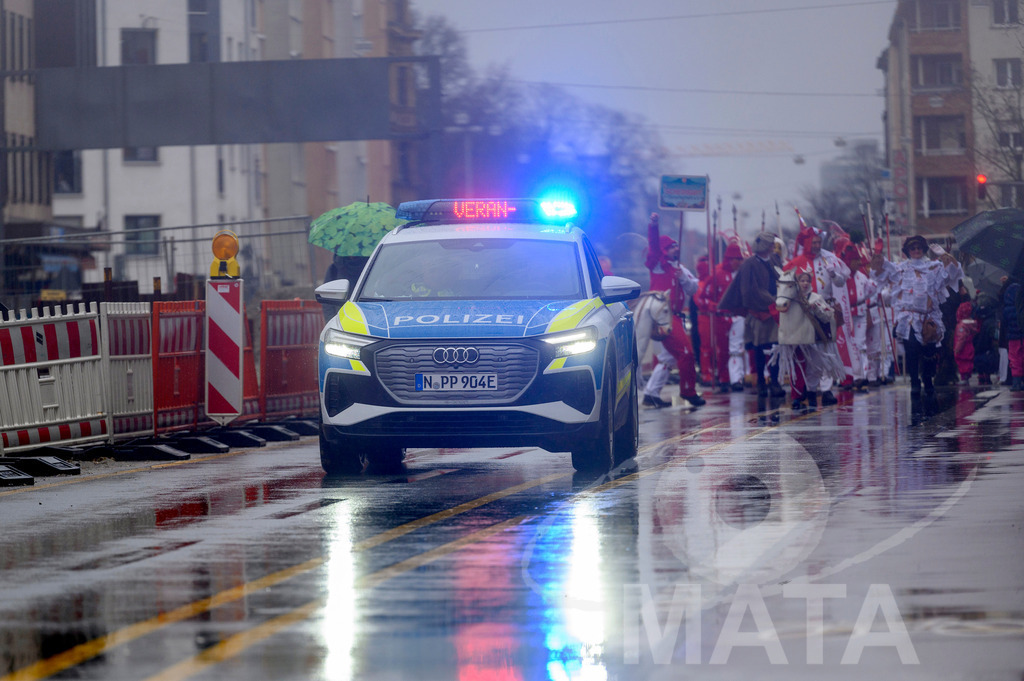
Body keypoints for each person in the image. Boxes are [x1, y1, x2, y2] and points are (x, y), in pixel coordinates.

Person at [869, 234, 964, 397]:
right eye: (912, 248)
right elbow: (879, 273)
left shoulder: (934, 267)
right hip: (909, 317)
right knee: (911, 348)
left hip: (929, 317)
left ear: (924, 249)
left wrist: (944, 255)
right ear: (907, 251)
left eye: (919, 248)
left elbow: (954, 274)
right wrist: (878, 257)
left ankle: (927, 379)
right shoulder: (900, 268)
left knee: (929, 351)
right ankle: (914, 381)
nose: (916, 251)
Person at [642, 213, 705, 408]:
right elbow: (652, 247)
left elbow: (693, 288)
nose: (675, 248)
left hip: (677, 316)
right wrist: (654, 226)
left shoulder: (680, 268)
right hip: (665, 317)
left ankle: (651, 394)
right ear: (663, 251)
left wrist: (682, 278)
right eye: (670, 247)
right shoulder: (658, 266)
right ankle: (688, 391)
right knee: (686, 353)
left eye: (676, 245)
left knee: (669, 358)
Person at [784, 225, 850, 405]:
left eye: (819, 242)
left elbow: (841, 281)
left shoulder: (829, 259)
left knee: (827, 351)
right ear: (806, 243)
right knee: (811, 352)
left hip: (825, 309)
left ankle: (827, 389)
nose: (816, 245)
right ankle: (812, 390)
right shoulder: (795, 263)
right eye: (813, 242)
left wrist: (834, 275)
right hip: (804, 313)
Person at [719, 231, 785, 398]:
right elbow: (747, 290)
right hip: (758, 313)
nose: (773, 247)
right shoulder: (749, 264)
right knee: (760, 349)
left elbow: (782, 279)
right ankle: (762, 382)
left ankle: (775, 381)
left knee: (775, 348)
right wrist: (770, 301)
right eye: (770, 244)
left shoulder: (774, 260)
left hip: (775, 311)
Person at [772, 266, 846, 412]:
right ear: (797, 282)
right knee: (797, 367)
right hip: (797, 340)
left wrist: (816, 308)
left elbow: (826, 316)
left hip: (815, 340)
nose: (805, 283)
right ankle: (797, 396)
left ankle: (811, 392)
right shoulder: (791, 301)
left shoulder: (816, 298)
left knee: (814, 367)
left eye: (807, 280)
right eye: (802, 280)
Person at [696, 241, 744, 392]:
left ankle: (737, 379)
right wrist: (713, 306)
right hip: (721, 318)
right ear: (730, 259)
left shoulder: (743, 274)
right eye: (737, 259)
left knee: (736, 348)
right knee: (722, 349)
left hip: (739, 316)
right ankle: (724, 377)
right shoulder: (717, 275)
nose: (739, 262)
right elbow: (703, 297)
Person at [838, 242, 876, 392]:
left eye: (858, 260)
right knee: (846, 346)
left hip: (859, 315)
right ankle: (846, 377)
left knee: (860, 345)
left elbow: (871, 293)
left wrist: (874, 283)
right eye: (855, 260)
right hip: (844, 316)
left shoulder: (862, 277)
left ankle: (861, 376)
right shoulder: (842, 277)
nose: (858, 263)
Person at [1002, 277, 1024, 391]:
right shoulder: (1021, 308)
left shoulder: (1006, 310)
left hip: (1013, 339)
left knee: (1015, 359)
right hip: (1022, 336)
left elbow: (1004, 324)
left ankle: (1016, 383)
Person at [953, 288, 978, 385]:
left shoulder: (961, 326)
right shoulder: (972, 324)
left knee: (962, 362)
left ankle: (964, 378)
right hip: (970, 346)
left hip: (963, 348)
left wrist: (957, 349)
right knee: (968, 362)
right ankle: (967, 377)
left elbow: (961, 338)